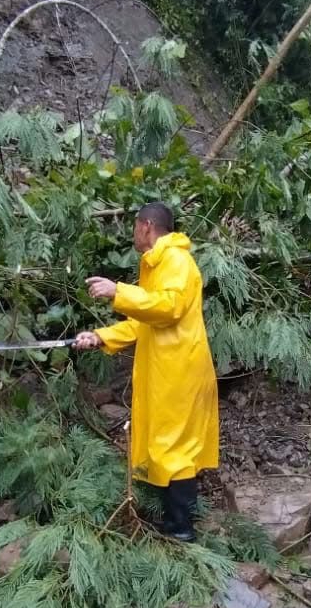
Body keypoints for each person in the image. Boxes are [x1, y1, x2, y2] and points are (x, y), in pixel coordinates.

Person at [73, 202, 219, 542]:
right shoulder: (156, 263)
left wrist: (117, 290)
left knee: (176, 448)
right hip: (165, 371)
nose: (133, 233)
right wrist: (100, 336)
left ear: (146, 226)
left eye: (134, 226)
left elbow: (168, 307)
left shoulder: (177, 261)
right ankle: (171, 520)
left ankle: (181, 530)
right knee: (163, 443)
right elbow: (144, 321)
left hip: (181, 372)